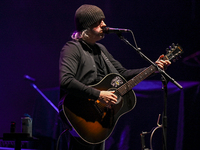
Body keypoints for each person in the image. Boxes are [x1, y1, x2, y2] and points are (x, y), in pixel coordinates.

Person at [58, 4, 171, 150]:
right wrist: (99, 94)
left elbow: (122, 74)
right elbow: (65, 81)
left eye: (103, 20)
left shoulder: (101, 50)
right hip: (81, 115)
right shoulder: (72, 48)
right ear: (87, 25)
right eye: (99, 22)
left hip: (100, 120)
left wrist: (153, 68)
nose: (104, 24)